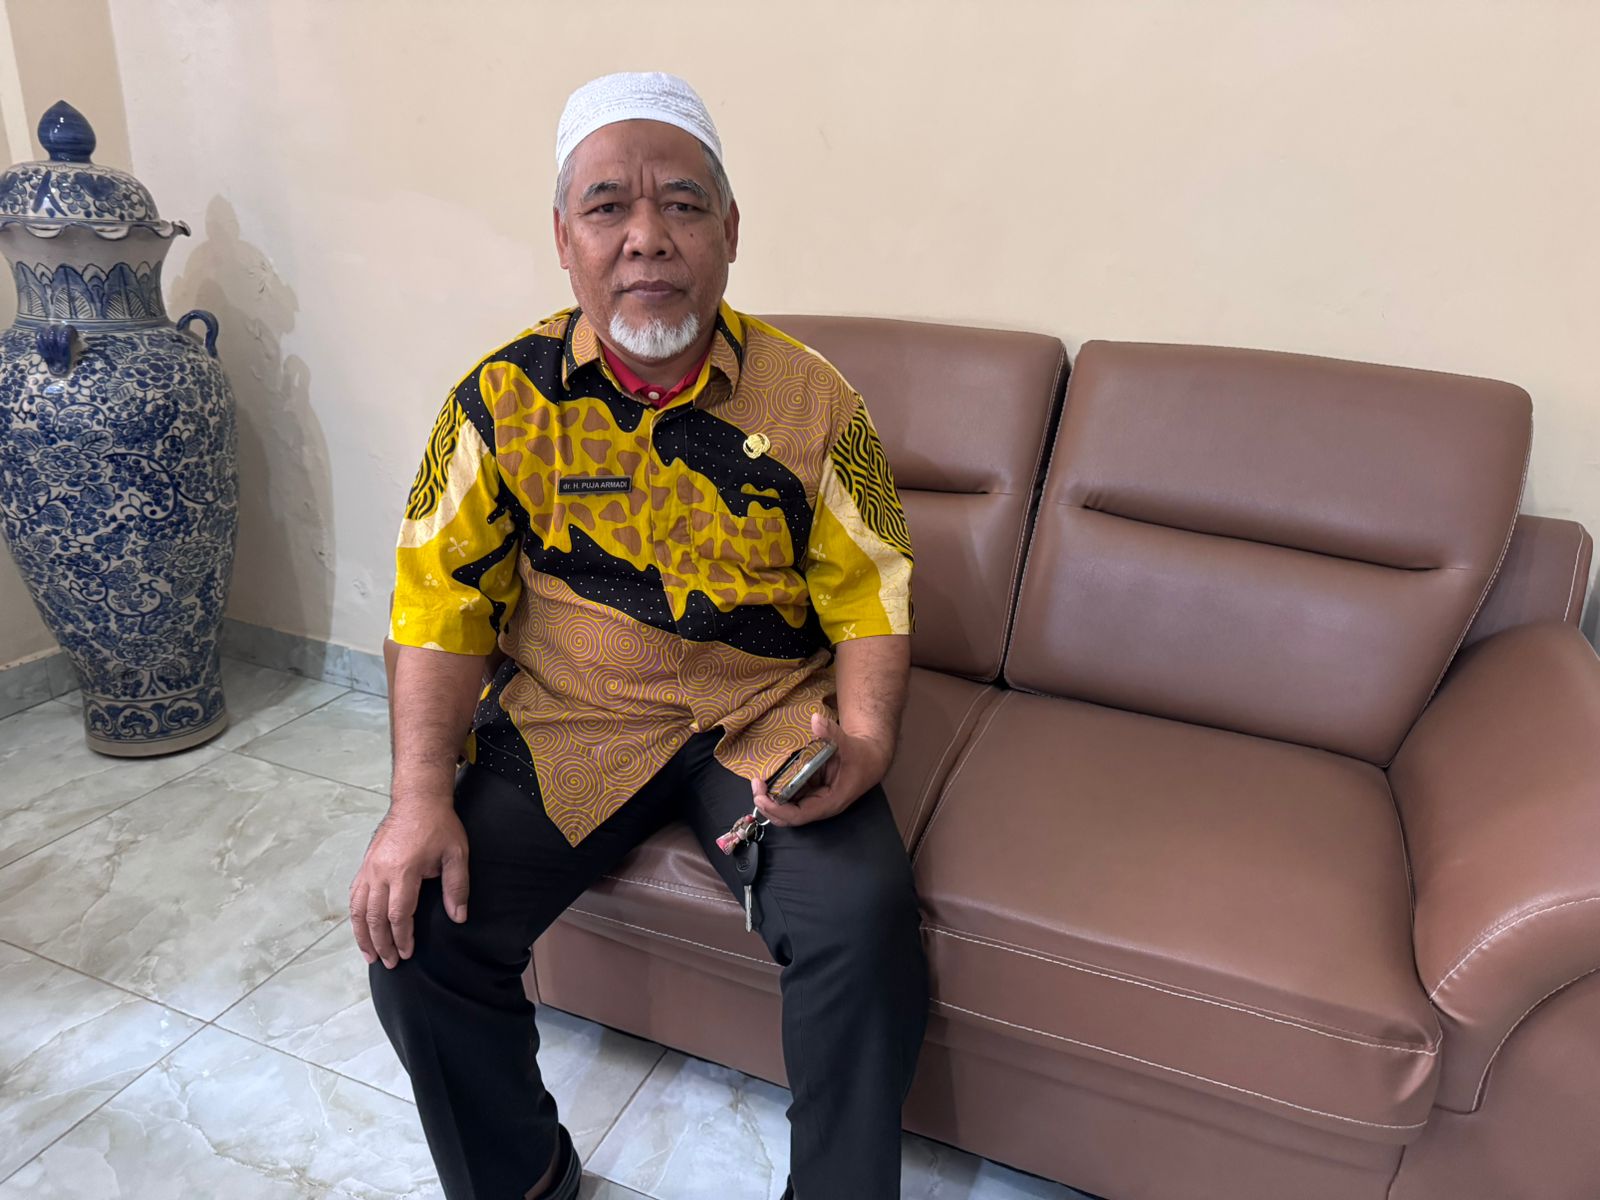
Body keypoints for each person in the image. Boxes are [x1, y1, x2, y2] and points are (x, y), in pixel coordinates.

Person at [352, 71, 926, 1200]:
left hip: (761, 712)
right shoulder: (494, 403)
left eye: (682, 204)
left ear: (730, 233)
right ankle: (524, 1178)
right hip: (571, 715)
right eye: (608, 206)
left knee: (860, 923)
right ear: (564, 239)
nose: (647, 237)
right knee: (417, 931)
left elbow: (872, 590)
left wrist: (865, 738)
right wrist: (418, 796)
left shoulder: (818, 402)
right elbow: (435, 605)